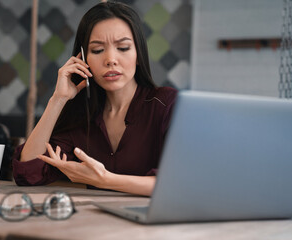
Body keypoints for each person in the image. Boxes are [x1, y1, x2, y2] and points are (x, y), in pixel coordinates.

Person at [12, 2, 177, 196]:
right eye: (97, 51)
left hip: (153, 223)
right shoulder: (81, 116)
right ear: (83, 59)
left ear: (138, 54)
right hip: (94, 222)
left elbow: (180, 184)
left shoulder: (167, 105)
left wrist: (103, 179)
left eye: (123, 48)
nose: (110, 59)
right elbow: (28, 173)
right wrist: (58, 99)